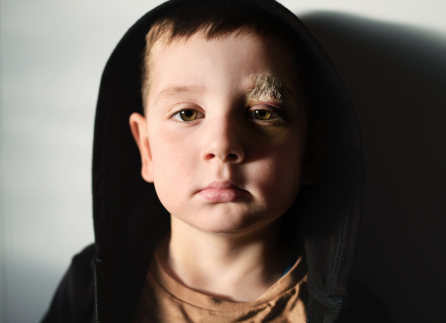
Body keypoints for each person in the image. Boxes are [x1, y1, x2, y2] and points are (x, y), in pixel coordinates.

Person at [42, 0, 364, 322]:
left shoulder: (354, 314)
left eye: (262, 113)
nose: (222, 145)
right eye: (187, 114)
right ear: (146, 149)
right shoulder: (88, 289)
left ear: (309, 152)